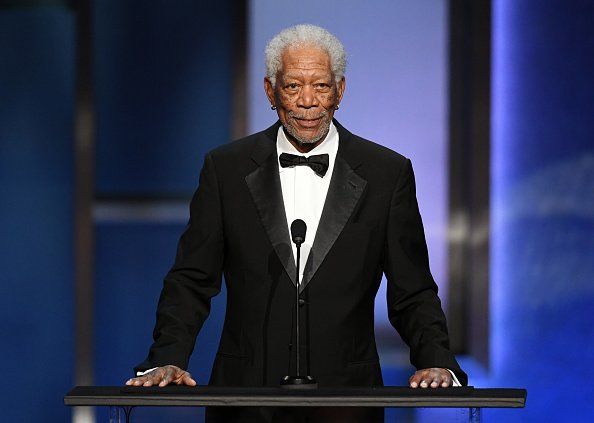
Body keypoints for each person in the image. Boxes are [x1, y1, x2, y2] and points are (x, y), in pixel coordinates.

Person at [126, 24, 467, 422]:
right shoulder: (226, 168)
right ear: (270, 92)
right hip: (246, 396)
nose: (307, 101)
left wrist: (437, 361)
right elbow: (191, 278)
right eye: (292, 87)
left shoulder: (386, 173)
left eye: (321, 86)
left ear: (340, 91)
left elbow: (413, 289)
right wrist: (166, 357)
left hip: (347, 400)